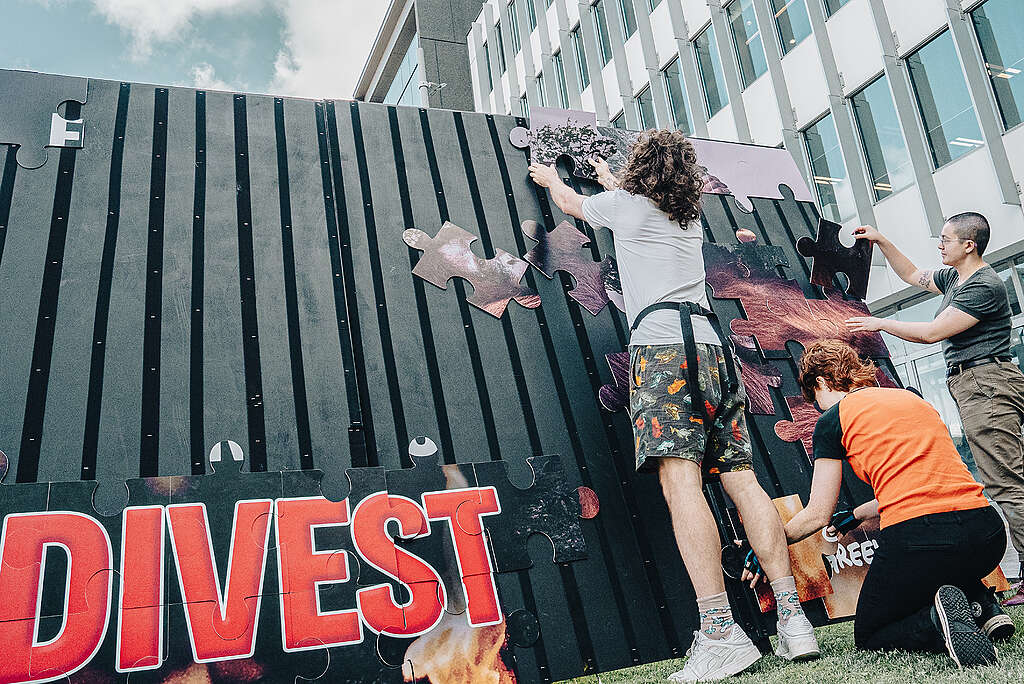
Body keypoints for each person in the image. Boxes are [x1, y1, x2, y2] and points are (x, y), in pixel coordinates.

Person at [528, 129, 819, 682]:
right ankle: (792, 619)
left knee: (680, 483)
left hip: (663, 352)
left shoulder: (627, 207)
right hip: (714, 351)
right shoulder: (685, 218)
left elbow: (573, 202)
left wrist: (548, 177)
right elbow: (622, 200)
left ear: (641, 172)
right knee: (741, 477)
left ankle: (719, 631)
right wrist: (610, 178)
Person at [779, 339, 1011, 669]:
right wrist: (856, 515)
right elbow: (927, 483)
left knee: (872, 632)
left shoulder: (832, 420)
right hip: (986, 533)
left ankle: (937, 622)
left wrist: (770, 542)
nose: (817, 407)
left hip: (923, 538)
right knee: (942, 564)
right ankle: (982, 605)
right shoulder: (912, 399)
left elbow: (817, 514)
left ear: (819, 382)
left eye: (814, 398)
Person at [847, 215, 1024, 603]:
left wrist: (880, 322)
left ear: (969, 245)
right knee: (1006, 478)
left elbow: (930, 334)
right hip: (975, 382)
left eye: (945, 240)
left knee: (1005, 482)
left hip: (986, 383)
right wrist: (881, 240)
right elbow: (912, 274)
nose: (940, 246)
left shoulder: (983, 285)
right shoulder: (954, 278)